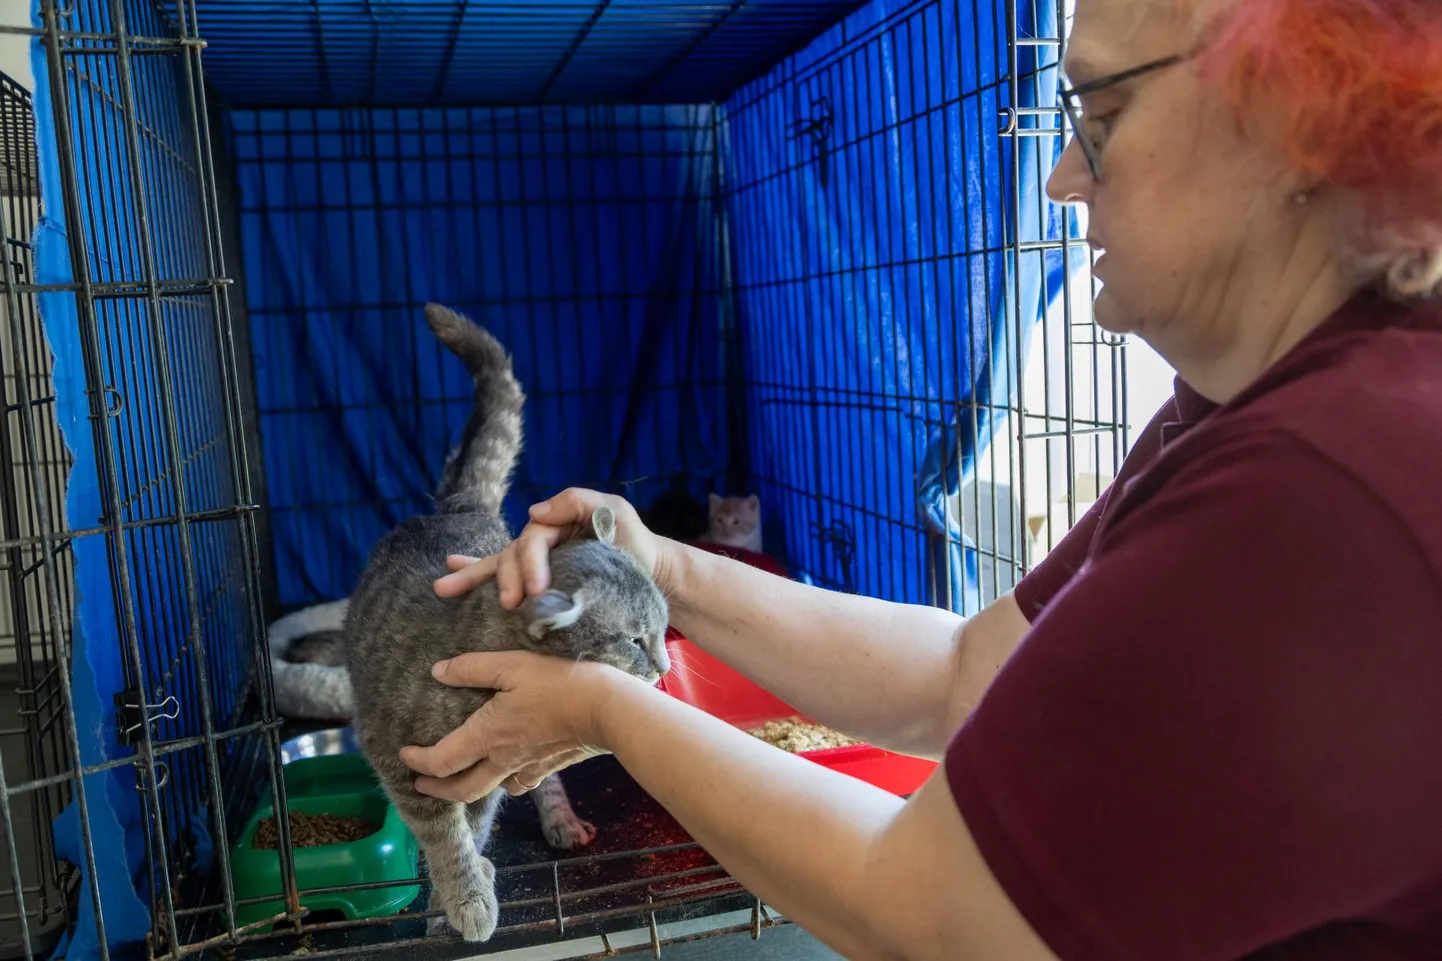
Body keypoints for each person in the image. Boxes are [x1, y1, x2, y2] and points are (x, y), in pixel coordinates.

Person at [399, 0, 1442, 956]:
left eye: (1103, 113)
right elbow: (962, 674)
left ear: (1302, 125)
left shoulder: (1324, 481)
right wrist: (664, 567)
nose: (1058, 178)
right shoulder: (1241, 402)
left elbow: (928, 910)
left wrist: (603, 709)